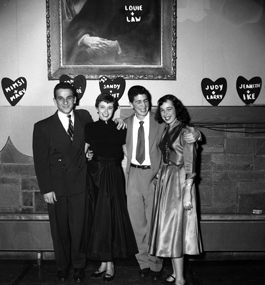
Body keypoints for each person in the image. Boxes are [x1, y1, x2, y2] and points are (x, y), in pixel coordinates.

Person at [123, 86, 200, 281]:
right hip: (133, 176)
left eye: (146, 100)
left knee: (155, 224)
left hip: (156, 177)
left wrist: (197, 134)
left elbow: (185, 132)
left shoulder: (160, 124)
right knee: (137, 225)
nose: (143, 105)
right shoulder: (124, 124)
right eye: (138, 101)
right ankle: (143, 263)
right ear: (131, 104)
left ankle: (156, 264)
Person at [32, 82, 93, 282]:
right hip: (56, 187)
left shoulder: (84, 118)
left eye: (69, 98)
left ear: (75, 99)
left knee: (79, 228)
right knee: (59, 229)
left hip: (80, 184)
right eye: (60, 98)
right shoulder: (43, 127)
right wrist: (46, 189)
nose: (65, 102)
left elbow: (97, 136)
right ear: (54, 100)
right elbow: (40, 162)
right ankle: (62, 266)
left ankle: (78, 266)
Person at [83, 93, 138, 283]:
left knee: (111, 217)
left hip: (114, 175)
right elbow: (84, 151)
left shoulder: (120, 127)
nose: (106, 111)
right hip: (95, 174)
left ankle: (109, 263)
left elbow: (128, 153)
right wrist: (88, 157)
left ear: (114, 109)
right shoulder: (89, 128)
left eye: (109, 107)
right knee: (98, 218)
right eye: (102, 107)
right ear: (96, 108)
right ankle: (104, 262)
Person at [149, 94, 203, 285]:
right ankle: (175, 272)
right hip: (166, 180)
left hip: (179, 184)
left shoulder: (186, 131)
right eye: (162, 110)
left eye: (169, 109)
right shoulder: (167, 128)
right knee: (170, 230)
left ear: (177, 109)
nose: (165, 113)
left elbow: (190, 163)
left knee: (175, 231)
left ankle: (180, 279)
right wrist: (158, 176)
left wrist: (188, 190)